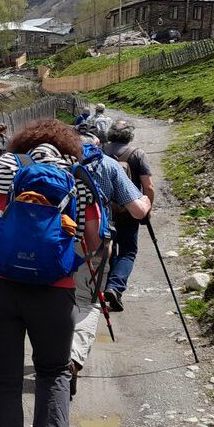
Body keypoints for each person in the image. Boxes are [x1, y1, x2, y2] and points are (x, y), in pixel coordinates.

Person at [0, 119, 103, 427]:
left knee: (2, 381)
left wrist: (4, 250)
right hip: (55, 290)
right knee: (53, 372)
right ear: (67, 144)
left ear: (22, 144)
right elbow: (94, 239)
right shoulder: (80, 174)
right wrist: (61, 257)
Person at [69, 134, 151, 396]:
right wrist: (147, 202)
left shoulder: (58, 162)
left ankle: (50, 357)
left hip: (54, 242)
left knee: (54, 302)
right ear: (97, 146)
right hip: (91, 246)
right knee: (86, 302)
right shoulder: (108, 164)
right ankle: (72, 357)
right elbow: (138, 211)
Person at [100, 120, 155, 312]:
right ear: (130, 135)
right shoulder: (137, 154)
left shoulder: (100, 152)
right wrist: (147, 210)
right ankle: (115, 287)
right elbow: (148, 186)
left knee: (108, 249)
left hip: (104, 211)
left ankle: (105, 287)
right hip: (129, 210)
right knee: (128, 251)